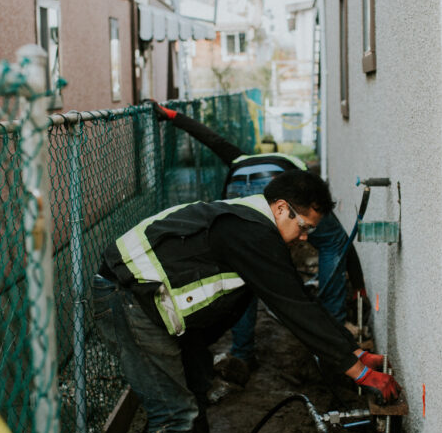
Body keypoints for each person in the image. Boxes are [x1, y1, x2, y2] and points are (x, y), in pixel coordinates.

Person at [93, 170, 399, 433]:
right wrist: (359, 372)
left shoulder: (254, 227)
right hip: (128, 300)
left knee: (195, 387)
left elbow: (298, 297)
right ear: (281, 208)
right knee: (173, 410)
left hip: (156, 303)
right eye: (304, 227)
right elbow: (292, 309)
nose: (304, 237)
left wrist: (354, 352)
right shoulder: (249, 232)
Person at [151, 102, 370, 383]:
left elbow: (210, 138)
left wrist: (173, 116)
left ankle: (242, 354)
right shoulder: (296, 174)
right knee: (332, 243)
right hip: (279, 190)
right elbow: (342, 242)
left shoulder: (239, 159)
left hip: (238, 191)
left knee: (245, 271)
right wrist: (358, 283)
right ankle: (333, 332)